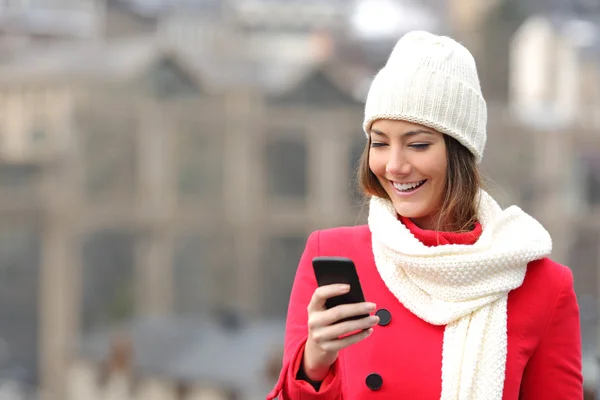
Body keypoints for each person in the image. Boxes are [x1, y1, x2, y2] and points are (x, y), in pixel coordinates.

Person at [266, 31, 583, 400]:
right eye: (380, 143)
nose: (395, 165)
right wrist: (314, 363)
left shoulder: (541, 285)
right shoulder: (333, 252)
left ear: (460, 151)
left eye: (418, 144)